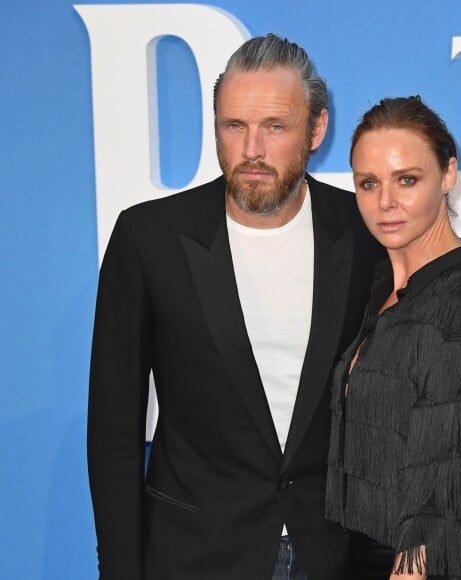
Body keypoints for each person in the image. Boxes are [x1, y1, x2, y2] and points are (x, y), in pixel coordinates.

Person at [87, 34, 387, 580]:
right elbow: (113, 432)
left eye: (275, 126)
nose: (252, 149)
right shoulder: (148, 238)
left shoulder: (365, 234)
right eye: (234, 126)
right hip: (194, 554)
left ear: (316, 129)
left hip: (335, 554)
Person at [325, 96, 461, 579]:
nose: (385, 202)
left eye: (407, 180)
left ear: (448, 175)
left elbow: (444, 500)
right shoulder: (380, 292)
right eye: (368, 183)